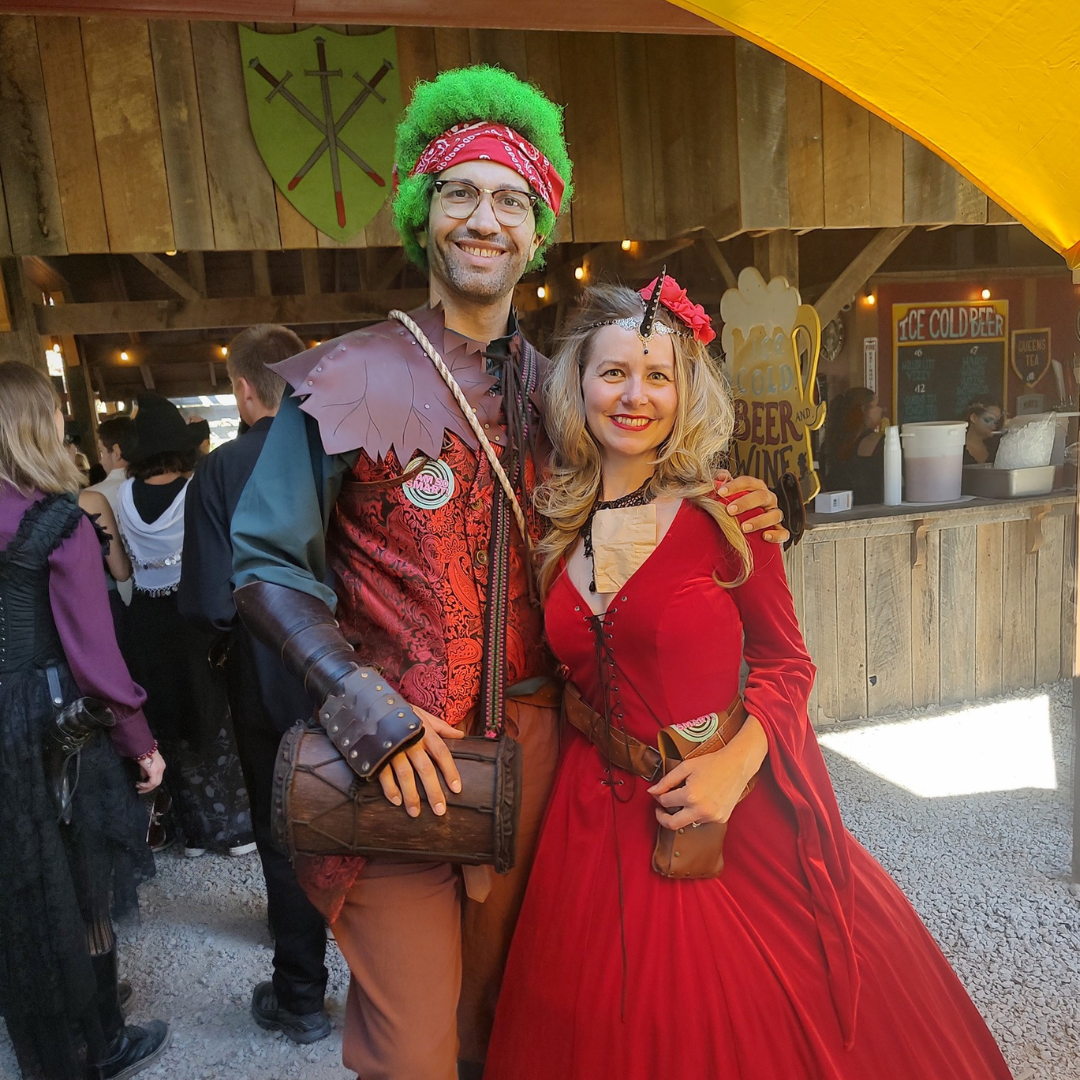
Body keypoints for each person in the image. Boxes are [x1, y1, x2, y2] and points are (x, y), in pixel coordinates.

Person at [228, 66, 787, 1080]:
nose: (486, 218)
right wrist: (362, 707)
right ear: (423, 216)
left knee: (516, 1034)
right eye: (460, 193)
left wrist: (730, 504)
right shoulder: (345, 378)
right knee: (414, 1054)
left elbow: (641, 486)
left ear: (537, 232)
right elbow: (265, 562)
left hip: (550, 768)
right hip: (402, 757)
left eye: (511, 200)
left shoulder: (566, 391)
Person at [482, 280, 1012, 1080]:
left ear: (686, 390)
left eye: (658, 375)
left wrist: (735, 767)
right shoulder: (555, 519)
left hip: (723, 804)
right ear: (579, 385)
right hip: (590, 815)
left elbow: (788, 663)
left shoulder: (731, 513)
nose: (635, 395)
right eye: (614, 373)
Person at [0, 361, 170, 1080]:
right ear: (41, 424)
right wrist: (141, 744)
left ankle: (52, 1018)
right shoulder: (57, 523)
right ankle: (100, 1038)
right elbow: (95, 657)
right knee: (83, 872)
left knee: (18, 880)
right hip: (50, 720)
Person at [178, 325, 331, 1043]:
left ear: (242, 389)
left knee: (283, 832)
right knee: (370, 818)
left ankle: (300, 995)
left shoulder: (218, 471)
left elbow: (210, 601)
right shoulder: (334, 447)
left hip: (265, 675)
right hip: (355, 669)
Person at [116, 393, 254, 858]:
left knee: (168, 720)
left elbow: (121, 572)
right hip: (193, 614)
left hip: (146, 622)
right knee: (214, 715)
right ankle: (235, 830)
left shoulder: (120, 496)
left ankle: (190, 832)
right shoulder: (197, 487)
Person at [820, 386, 885, 504]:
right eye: (876, 405)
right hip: (871, 510)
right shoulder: (876, 442)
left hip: (836, 509)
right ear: (864, 410)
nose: (881, 409)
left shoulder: (828, 445)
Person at [962, 400, 1004, 464]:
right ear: (973, 418)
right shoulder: (956, 448)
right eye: (988, 420)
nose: (994, 426)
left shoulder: (997, 447)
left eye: (996, 422)